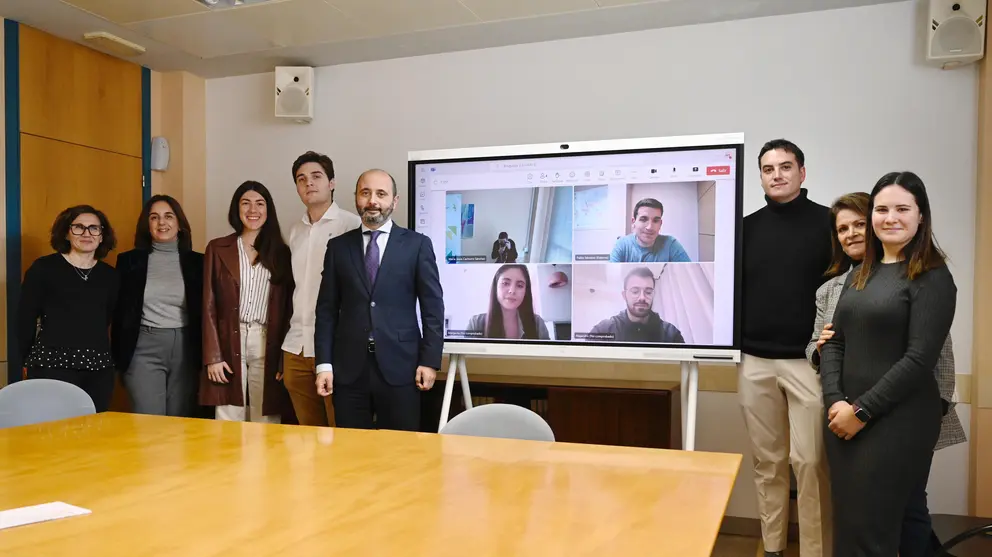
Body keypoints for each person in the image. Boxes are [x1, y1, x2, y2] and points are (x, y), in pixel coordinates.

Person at [807, 192, 966, 556]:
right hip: (845, 414)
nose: (851, 234)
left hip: (904, 415)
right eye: (842, 229)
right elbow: (821, 343)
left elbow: (933, 355)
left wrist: (936, 407)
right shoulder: (832, 288)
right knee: (863, 519)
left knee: (909, 509)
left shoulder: (922, 278)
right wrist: (835, 399)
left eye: (858, 224)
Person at [740, 139, 833, 557]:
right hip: (754, 361)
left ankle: (815, 551)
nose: (776, 174)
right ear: (760, 175)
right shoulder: (746, 228)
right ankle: (773, 548)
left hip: (807, 363)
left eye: (785, 166)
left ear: (802, 173)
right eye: (768, 168)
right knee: (768, 464)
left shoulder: (830, 224)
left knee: (810, 464)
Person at [314, 169, 444, 431]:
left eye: (381, 194)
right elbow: (326, 311)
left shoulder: (417, 245)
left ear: (394, 201)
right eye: (365, 193)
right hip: (348, 370)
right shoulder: (338, 248)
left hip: (402, 368)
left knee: (401, 453)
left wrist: (430, 361)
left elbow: (433, 308)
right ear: (356, 198)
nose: (372, 200)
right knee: (350, 452)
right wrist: (323, 365)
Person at [201, 181, 293, 423]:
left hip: (266, 339)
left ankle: (264, 462)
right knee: (228, 415)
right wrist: (213, 356)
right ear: (237, 209)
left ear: (268, 210)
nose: (253, 210)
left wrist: (284, 358)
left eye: (260, 204)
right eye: (246, 203)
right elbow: (208, 305)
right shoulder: (218, 248)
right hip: (229, 337)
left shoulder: (282, 253)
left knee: (266, 415)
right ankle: (229, 462)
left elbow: (287, 310)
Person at [281, 151, 361, 427]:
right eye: (301, 179)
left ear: (332, 182)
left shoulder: (352, 225)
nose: (309, 184)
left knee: (341, 432)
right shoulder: (295, 231)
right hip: (296, 346)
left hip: (335, 346)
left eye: (316, 177)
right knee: (308, 437)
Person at [18, 205, 119, 412]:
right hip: (50, 365)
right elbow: (24, 319)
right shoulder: (43, 269)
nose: (86, 233)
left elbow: (108, 318)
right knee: (53, 432)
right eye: (78, 227)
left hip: (98, 368)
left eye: (94, 228)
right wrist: (25, 360)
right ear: (66, 232)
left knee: (94, 431)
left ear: (102, 236)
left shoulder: (111, 276)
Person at [112, 195, 203, 417]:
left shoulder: (199, 262)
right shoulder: (129, 261)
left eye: (168, 216)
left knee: (181, 424)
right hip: (143, 348)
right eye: (154, 217)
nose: (162, 222)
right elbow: (118, 312)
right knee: (148, 422)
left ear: (180, 224)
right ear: (147, 225)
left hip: (186, 349)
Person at [588, 266, 684, 343]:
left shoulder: (671, 334)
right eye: (635, 291)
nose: (642, 297)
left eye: (648, 292)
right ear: (625, 295)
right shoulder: (604, 330)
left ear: (653, 295)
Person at [464, 264, 549, 339]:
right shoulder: (476, 323)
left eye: (519, 285)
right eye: (505, 283)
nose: (512, 291)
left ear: (525, 291)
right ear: (495, 287)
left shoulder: (537, 323)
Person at [609, 198, 690, 262]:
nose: (650, 227)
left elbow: (688, 274)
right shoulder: (622, 245)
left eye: (655, 221)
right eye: (643, 219)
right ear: (634, 222)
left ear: (660, 224)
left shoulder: (671, 244)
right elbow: (612, 278)